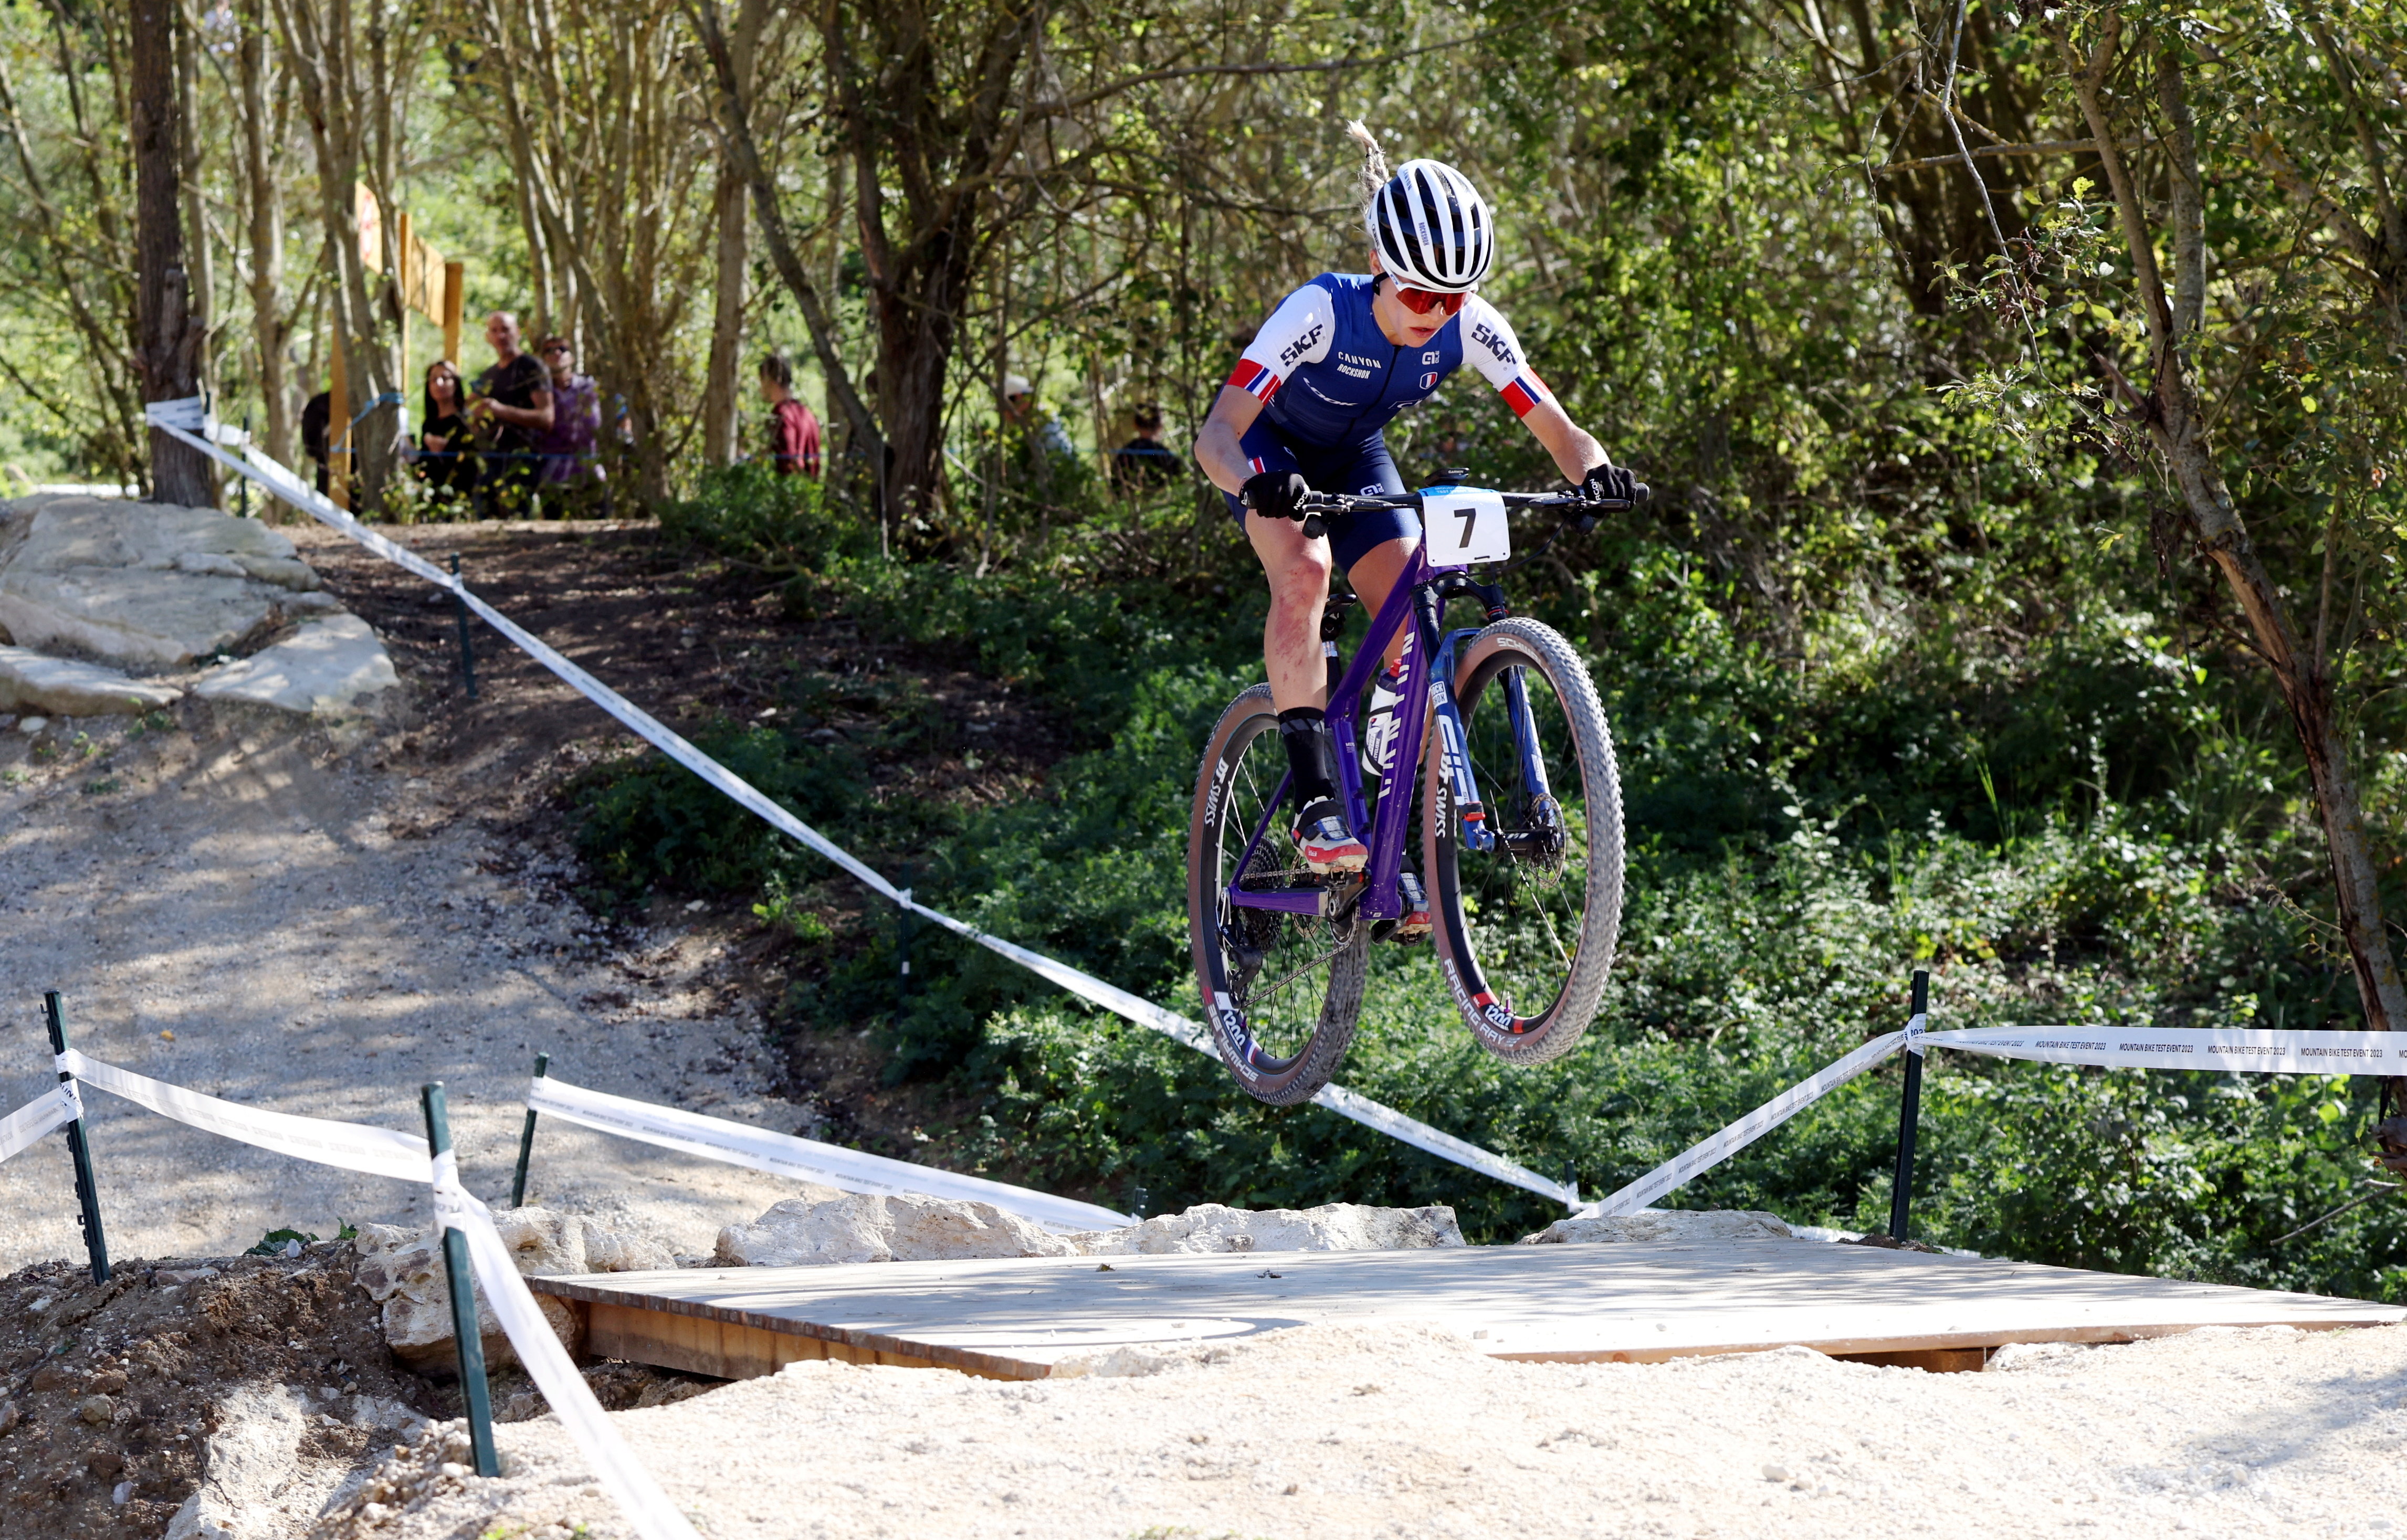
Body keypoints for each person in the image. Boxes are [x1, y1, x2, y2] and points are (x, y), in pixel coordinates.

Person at [1192, 123, 1636, 935]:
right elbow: (1215, 434)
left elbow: (1559, 427)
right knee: (1306, 571)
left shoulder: (1468, 322)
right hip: (1270, 453)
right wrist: (1259, 483)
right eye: (1422, 296)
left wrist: (1595, 473)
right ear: (1378, 271)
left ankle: (1386, 825)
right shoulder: (1319, 310)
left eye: (1455, 299)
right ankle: (1318, 803)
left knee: (1413, 616)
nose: (1439, 314)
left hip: (1356, 457)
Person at [467, 311, 553, 518]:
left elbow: (547, 418)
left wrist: (500, 410)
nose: (500, 336)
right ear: (488, 337)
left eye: (505, 330)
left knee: (517, 521)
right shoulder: (488, 375)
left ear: (518, 332)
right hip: (490, 459)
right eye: (494, 331)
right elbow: (467, 410)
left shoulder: (533, 367)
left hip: (523, 460)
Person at [529, 335, 603, 512]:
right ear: (542, 359)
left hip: (591, 471)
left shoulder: (591, 388)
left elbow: (619, 414)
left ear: (572, 357)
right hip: (552, 475)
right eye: (549, 350)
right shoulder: (537, 393)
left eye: (562, 349)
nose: (556, 353)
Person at [413, 360, 477, 507]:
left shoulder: (468, 421)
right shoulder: (428, 424)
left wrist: (447, 449)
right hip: (431, 498)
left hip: (462, 498)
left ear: (456, 382)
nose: (439, 384)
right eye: (434, 380)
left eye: (445, 378)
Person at [759, 351, 822, 477]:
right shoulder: (807, 413)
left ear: (771, 381)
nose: (760, 388)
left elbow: (788, 461)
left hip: (790, 491)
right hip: (810, 490)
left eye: (761, 381)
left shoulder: (781, 414)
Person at [1110, 404, 1180, 493]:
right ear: (1160, 426)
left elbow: (1116, 484)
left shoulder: (1125, 453)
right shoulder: (1167, 456)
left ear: (1135, 425)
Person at [300, 390, 331, 495]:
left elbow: (310, 446)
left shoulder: (318, 403)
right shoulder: (318, 404)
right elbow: (310, 445)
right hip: (327, 474)